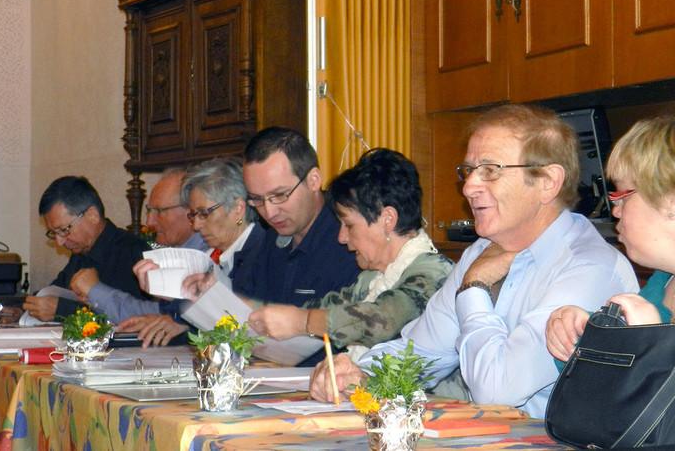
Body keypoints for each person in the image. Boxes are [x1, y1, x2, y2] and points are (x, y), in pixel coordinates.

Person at [309, 104, 639, 418]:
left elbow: (497, 392)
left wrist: (474, 289)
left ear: (548, 183)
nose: (468, 187)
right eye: (469, 171)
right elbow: (420, 352)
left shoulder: (590, 269)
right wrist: (357, 370)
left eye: (490, 171)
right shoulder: (483, 250)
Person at [545, 116, 675, 448]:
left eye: (621, 195)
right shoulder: (664, 282)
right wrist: (582, 340)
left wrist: (656, 347)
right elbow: (626, 385)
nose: (614, 211)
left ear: (673, 202)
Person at [248, 148, 454, 360]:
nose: (341, 237)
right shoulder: (370, 280)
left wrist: (302, 322)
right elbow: (322, 308)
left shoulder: (436, 272)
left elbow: (382, 320)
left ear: (388, 219)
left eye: (349, 225)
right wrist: (254, 313)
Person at [119, 157, 265, 347]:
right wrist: (171, 293)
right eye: (193, 215)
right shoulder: (220, 255)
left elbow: (249, 328)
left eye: (204, 213)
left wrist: (183, 319)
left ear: (238, 208)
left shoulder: (264, 252)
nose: (196, 225)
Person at [233, 127, 361, 305]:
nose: (269, 213)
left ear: (314, 180)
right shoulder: (267, 242)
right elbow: (238, 304)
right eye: (257, 199)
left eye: (279, 195)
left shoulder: (350, 241)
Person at [69, 168, 209, 323]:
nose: (149, 222)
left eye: (159, 211)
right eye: (149, 211)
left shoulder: (210, 257)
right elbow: (158, 314)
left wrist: (96, 291)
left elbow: (166, 316)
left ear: (191, 210)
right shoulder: (176, 252)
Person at [21, 176, 149, 322]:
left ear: (92, 215)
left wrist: (63, 311)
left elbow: (134, 317)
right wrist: (22, 309)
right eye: (54, 233)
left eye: (63, 230)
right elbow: (54, 292)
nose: (59, 241)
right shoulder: (81, 252)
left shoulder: (131, 252)